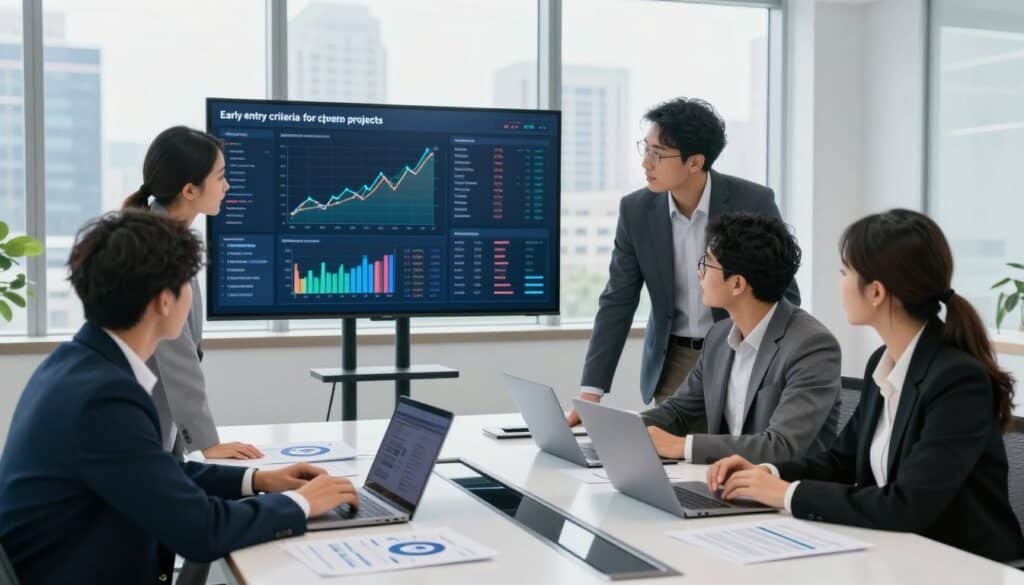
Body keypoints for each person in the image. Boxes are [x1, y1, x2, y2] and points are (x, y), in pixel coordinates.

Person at [0, 211, 358, 583]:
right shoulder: (102, 398)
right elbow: (201, 531)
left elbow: (153, 471)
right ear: (164, 301)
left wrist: (260, 481)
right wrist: (301, 503)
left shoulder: (77, 364)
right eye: (188, 282)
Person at [706, 209, 1024, 562]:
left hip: (963, 564)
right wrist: (767, 473)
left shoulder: (957, 381)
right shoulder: (883, 363)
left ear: (875, 292)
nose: (839, 283)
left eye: (845, 272)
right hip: (896, 554)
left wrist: (786, 494)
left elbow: (907, 505)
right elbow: (841, 461)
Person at [567, 97, 799, 426]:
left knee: (731, 459)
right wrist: (591, 393)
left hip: (740, 352)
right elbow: (618, 300)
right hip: (672, 360)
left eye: (658, 154)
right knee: (665, 460)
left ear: (695, 162)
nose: (646, 164)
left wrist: (768, 360)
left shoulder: (753, 201)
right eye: (645, 149)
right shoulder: (635, 211)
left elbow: (785, 292)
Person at [641, 212, 840, 464]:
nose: (699, 273)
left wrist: (683, 446)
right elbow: (678, 412)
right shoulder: (718, 335)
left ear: (737, 284)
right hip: (723, 483)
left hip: (782, 494)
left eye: (707, 263)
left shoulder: (812, 346)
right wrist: (615, 427)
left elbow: (780, 446)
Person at [123, 126, 263, 460]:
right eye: (220, 177)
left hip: (153, 414)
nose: (226, 185)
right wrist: (208, 443)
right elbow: (177, 353)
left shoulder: (161, 234)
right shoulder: (157, 250)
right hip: (139, 418)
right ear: (189, 190)